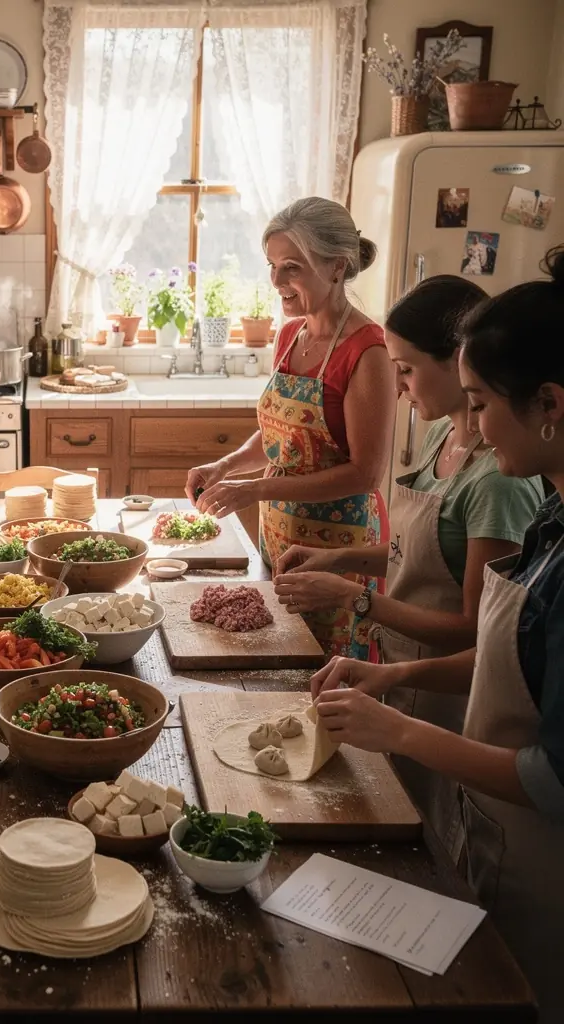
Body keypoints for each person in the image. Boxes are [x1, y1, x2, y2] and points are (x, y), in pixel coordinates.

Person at [311, 247, 564, 1022]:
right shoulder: (552, 518)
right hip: (497, 836)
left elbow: (554, 780)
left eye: (483, 401)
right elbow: (500, 660)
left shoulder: (510, 494)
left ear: (549, 403)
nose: (476, 424)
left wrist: (400, 730)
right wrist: (390, 680)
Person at [271, 275, 543, 854]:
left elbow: (479, 627)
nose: (396, 387)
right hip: (403, 675)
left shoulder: (500, 482)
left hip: (451, 704)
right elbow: (423, 557)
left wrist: (354, 597)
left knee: (431, 841)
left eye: (407, 369)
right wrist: (344, 557)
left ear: (458, 362)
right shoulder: (443, 437)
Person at [186, 197, 396, 660]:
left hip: (342, 547)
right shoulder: (290, 336)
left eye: (292, 268)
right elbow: (284, 437)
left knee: (327, 676)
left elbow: (365, 474)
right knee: (279, 662)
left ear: (337, 267)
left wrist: (255, 491)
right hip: (281, 533)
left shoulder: (367, 352)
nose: (277, 281)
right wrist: (226, 465)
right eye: (273, 266)